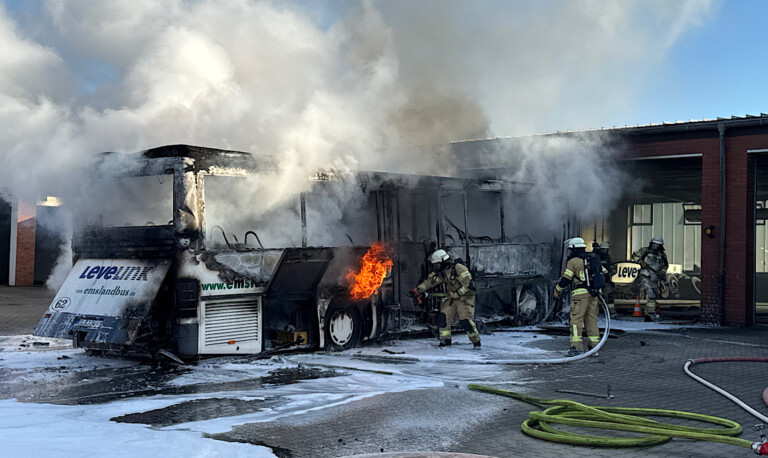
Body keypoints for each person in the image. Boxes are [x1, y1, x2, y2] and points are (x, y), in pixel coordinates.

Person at [410, 249, 481, 348]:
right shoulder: (444, 272)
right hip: (452, 299)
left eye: (438, 264)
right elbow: (432, 281)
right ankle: (445, 341)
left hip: (465, 299)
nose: (436, 266)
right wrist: (418, 289)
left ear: (443, 261)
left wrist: (456, 294)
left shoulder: (458, 268)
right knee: (443, 317)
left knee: (465, 321)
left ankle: (476, 342)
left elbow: (469, 285)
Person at [553, 237, 603, 356]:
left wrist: (557, 290)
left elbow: (566, 278)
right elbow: (603, 272)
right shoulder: (593, 258)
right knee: (591, 321)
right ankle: (594, 348)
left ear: (574, 249)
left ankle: (577, 348)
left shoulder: (574, 261)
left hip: (579, 296)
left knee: (576, 320)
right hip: (593, 294)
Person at [631, 236, 669, 322]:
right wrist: (641, 262)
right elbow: (634, 255)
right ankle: (650, 313)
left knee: (653, 295)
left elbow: (665, 265)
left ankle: (649, 313)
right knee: (650, 293)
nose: (655, 246)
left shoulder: (662, 255)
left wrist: (662, 272)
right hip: (645, 274)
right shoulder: (645, 250)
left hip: (655, 276)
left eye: (657, 244)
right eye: (654, 244)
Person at [593, 241, 618, 319]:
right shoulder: (595, 257)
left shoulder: (609, 258)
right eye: (603, 249)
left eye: (606, 250)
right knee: (594, 296)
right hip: (596, 280)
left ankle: (612, 312)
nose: (604, 251)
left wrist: (609, 276)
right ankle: (593, 313)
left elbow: (613, 268)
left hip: (606, 280)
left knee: (609, 295)